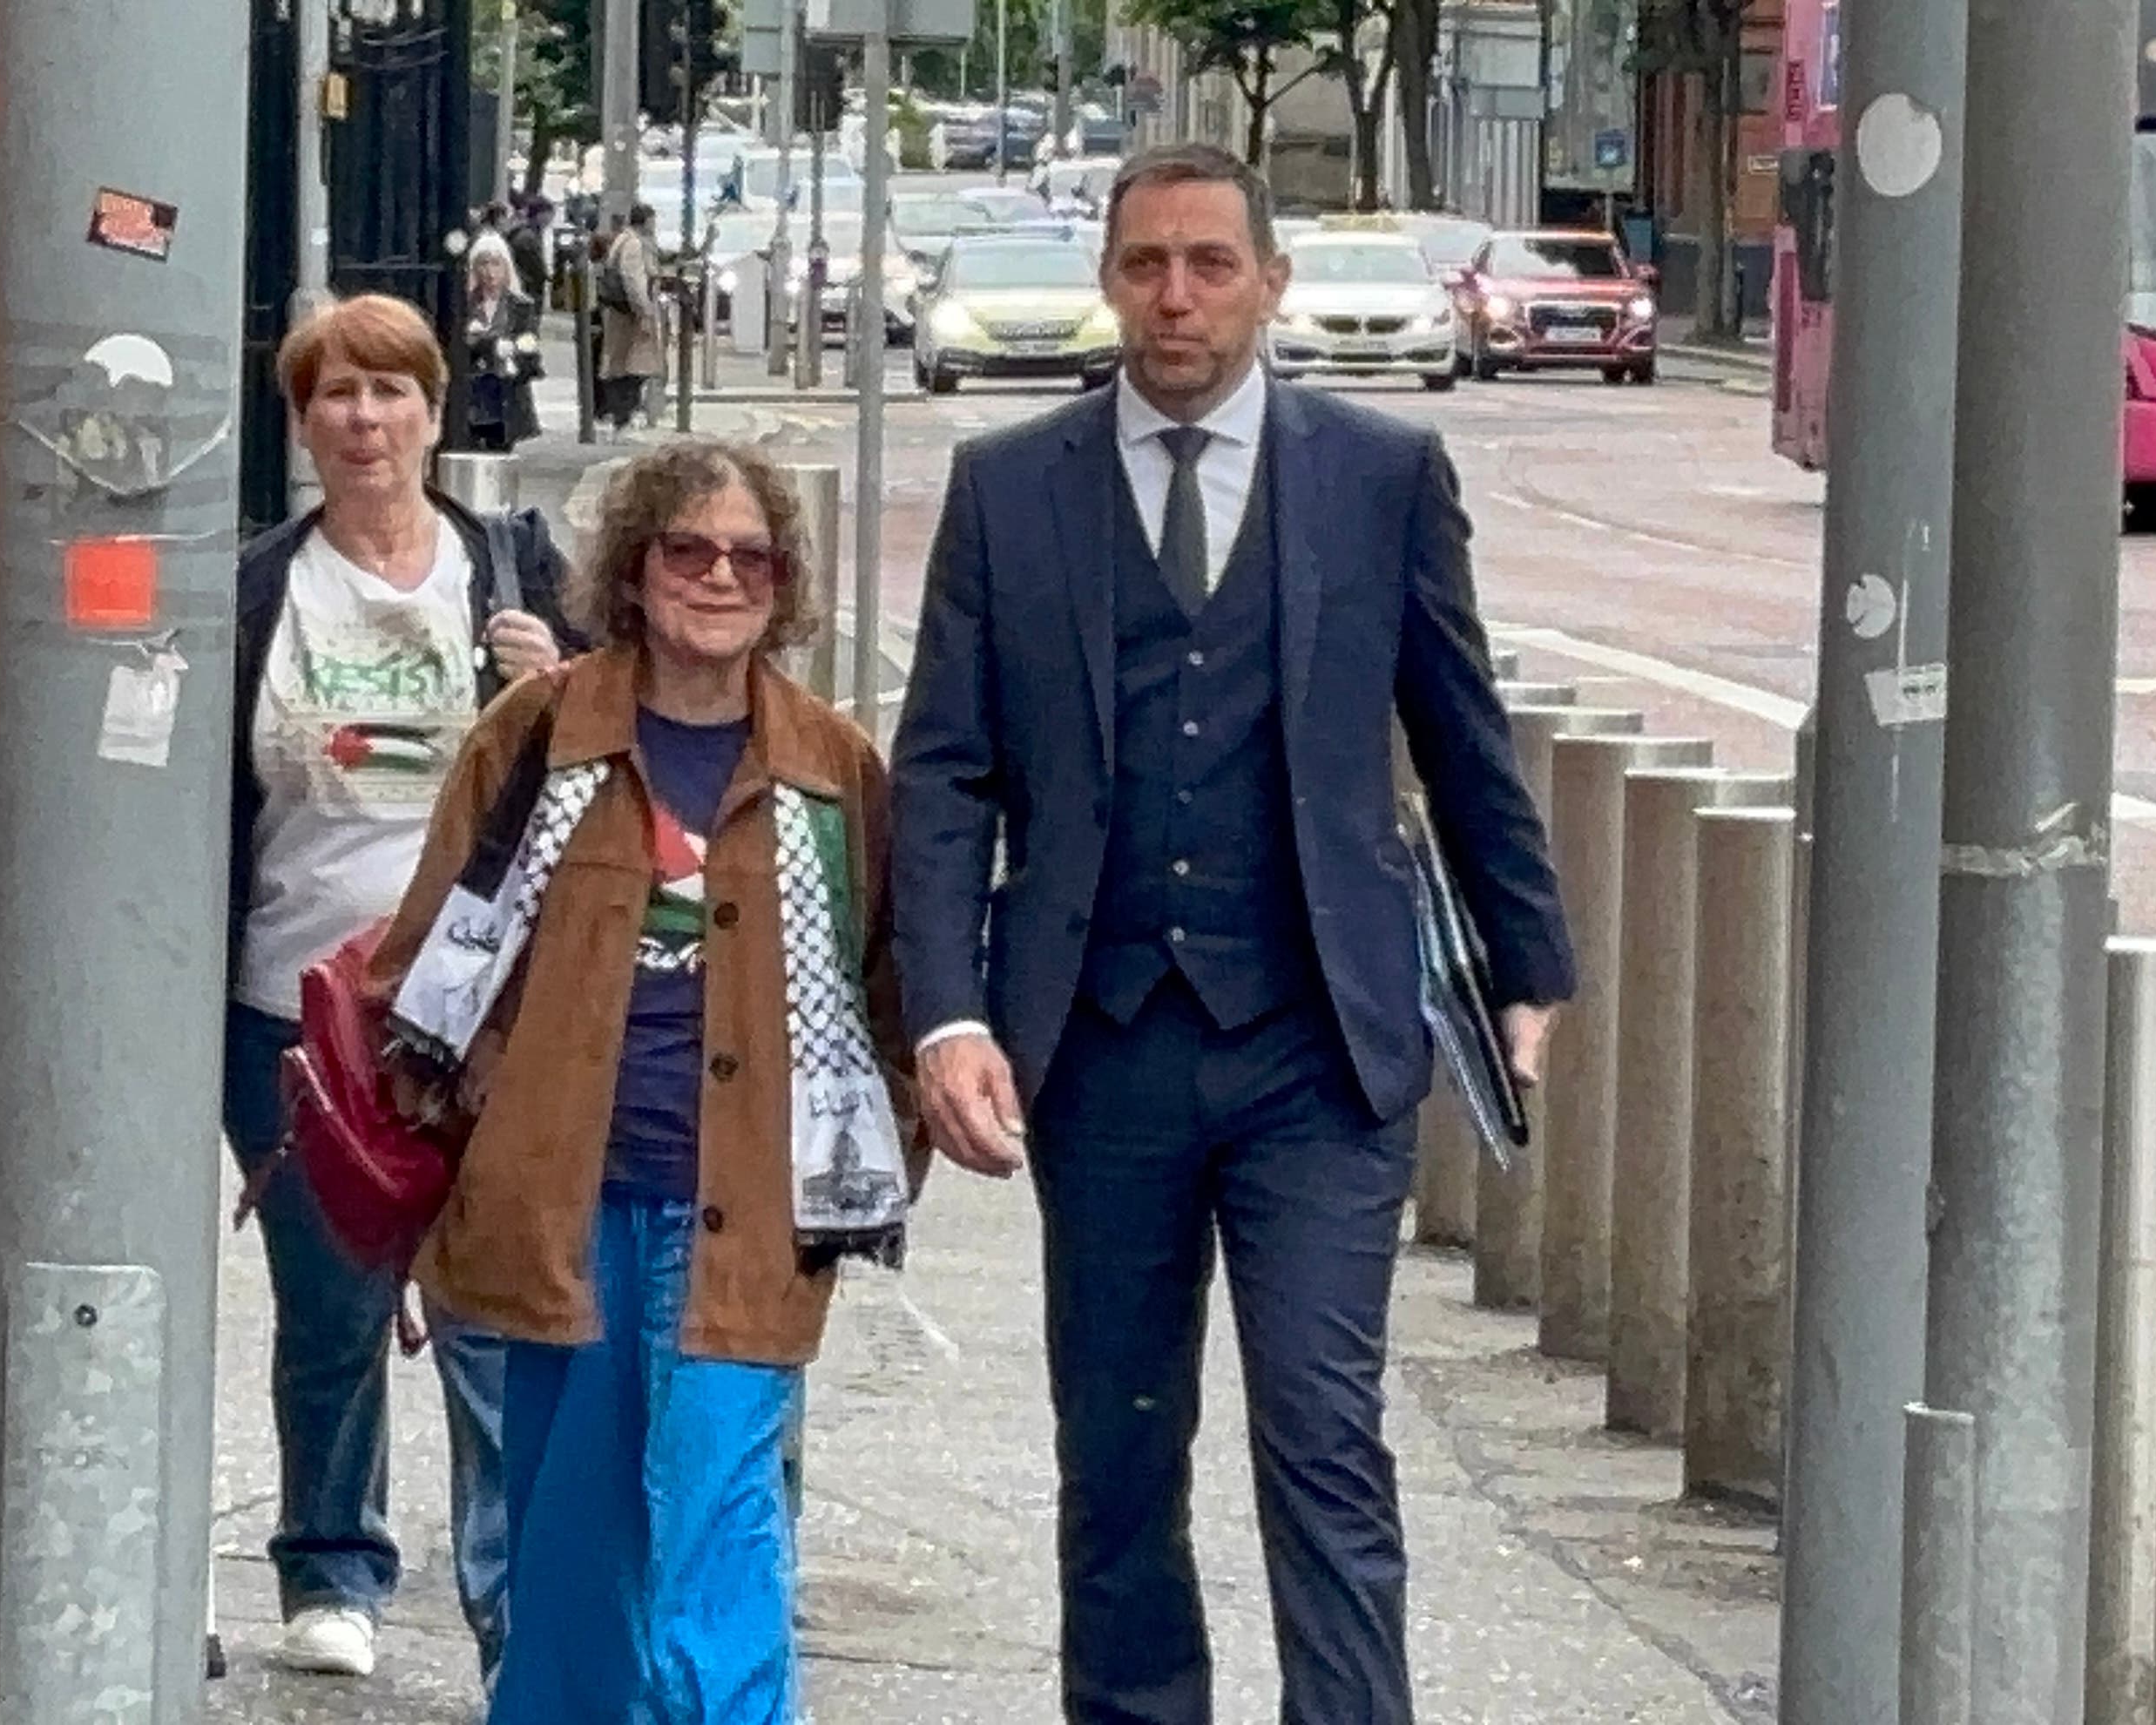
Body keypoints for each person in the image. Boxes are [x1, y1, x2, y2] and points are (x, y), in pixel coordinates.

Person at [890, 143, 1576, 1725]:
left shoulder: (1380, 474)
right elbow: (945, 770)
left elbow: (1460, 728)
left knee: (1322, 1436)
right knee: (1117, 1450)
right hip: (1102, 1042)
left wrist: (1527, 959)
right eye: (1145, 266)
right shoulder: (1010, 489)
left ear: (1271, 281)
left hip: (1316, 1047)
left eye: (1210, 264)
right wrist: (949, 1010)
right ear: (1108, 283)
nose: (1177, 297)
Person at [365, 439, 920, 1723]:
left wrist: (864, 1166)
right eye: (688, 550)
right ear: (632, 568)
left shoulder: (833, 767)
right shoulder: (540, 731)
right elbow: (426, 966)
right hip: (562, 1215)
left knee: (721, 1549)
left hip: (752, 1221)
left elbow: (893, 994)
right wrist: (469, 1138)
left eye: (750, 558)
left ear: (784, 585)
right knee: (573, 1564)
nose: (719, 577)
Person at [226, 291, 586, 1685]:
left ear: (435, 415)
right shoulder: (260, 588)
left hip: (486, 1010)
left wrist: (560, 682)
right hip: (295, 1002)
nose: (364, 420)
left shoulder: (511, 570)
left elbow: (618, 745)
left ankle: (517, 1611)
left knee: (495, 1315)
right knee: (331, 1305)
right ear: (302, 422)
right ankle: (330, 1568)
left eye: (390, 393)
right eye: (336, 394)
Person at [463, 233, 544, 452]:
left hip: (506, 397)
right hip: (474, 396)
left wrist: (518, 354)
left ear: (507, 267)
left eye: (496, 264)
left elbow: (531, 351)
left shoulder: (521, 306)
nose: (490, 272)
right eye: (483, 264)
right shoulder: (463, 305)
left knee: (501, 453)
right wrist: (488, 345)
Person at [598, 203, 665, 436]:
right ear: (646, 221)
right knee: (635, 366)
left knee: (622, 363)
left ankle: (621, 415)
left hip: (620, 310)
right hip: (629, 313)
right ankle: (623, 415)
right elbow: (633, 280)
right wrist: (644, 311)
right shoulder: (634, 244)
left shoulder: (622, 240)